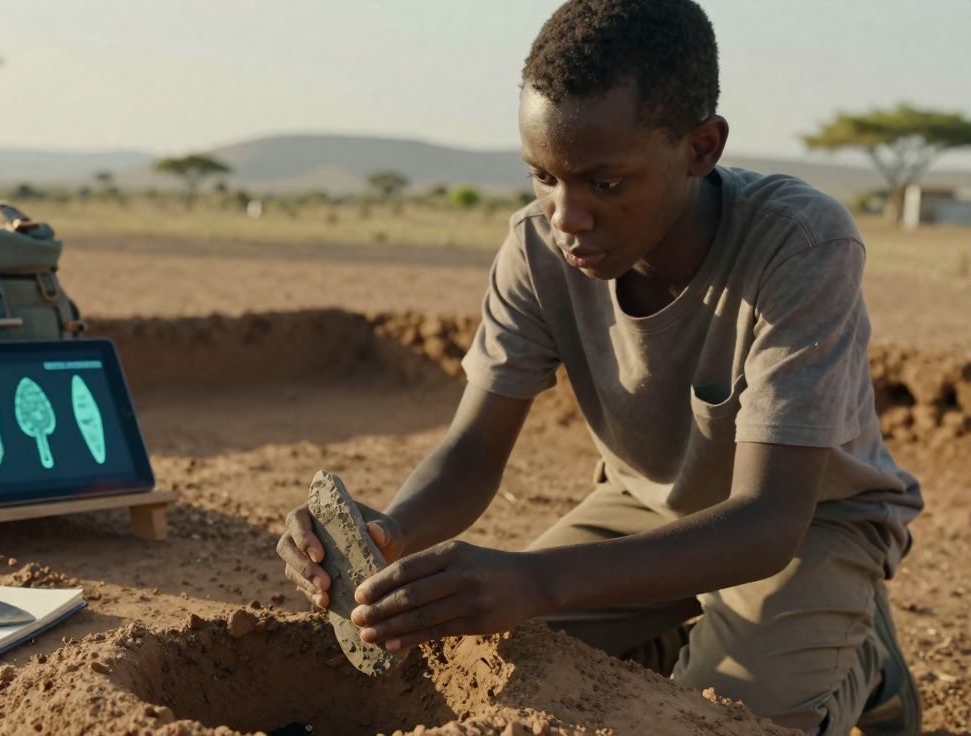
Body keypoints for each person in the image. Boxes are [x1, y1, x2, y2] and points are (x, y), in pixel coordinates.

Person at [275, 1, 924, 734]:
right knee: (483, 663)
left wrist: (541, 580)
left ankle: (860, 661)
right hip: (645, 507)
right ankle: (667, 635)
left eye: (603, 184)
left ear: (701, 147)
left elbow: (771, 519)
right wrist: (388, 533)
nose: (565, 215)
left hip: (807, 521)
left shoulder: (800, 244)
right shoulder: (535, 250)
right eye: (542, 177)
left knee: (724, 720)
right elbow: (469, 455)